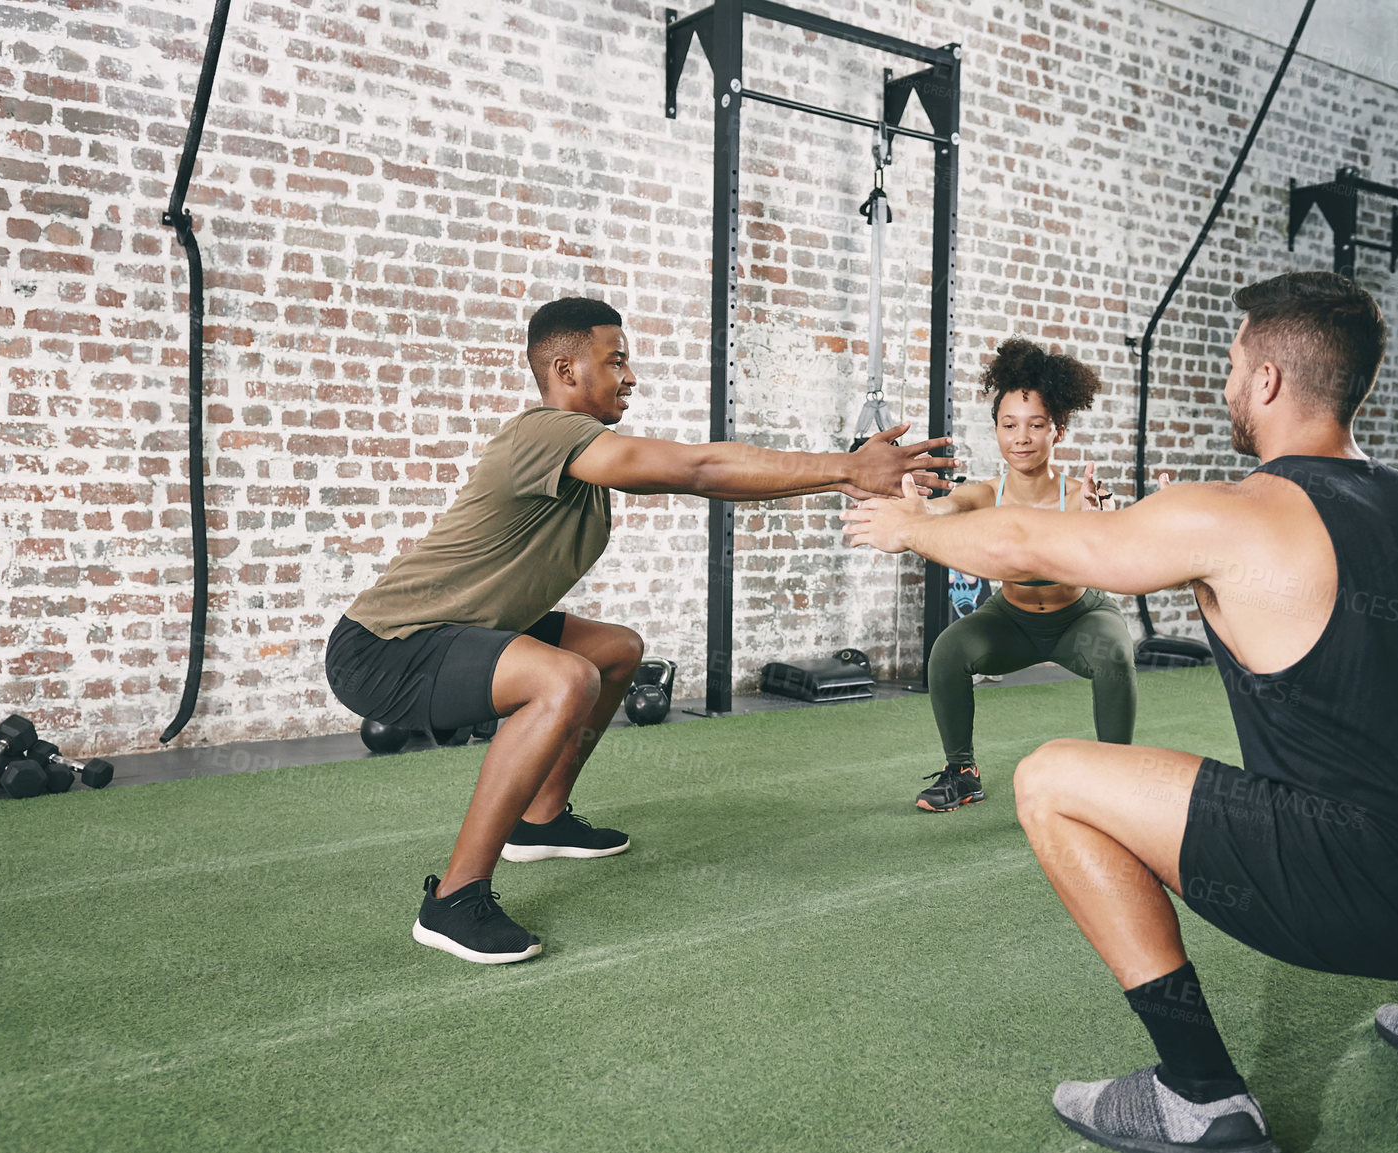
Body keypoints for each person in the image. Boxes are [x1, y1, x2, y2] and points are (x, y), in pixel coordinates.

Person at [843, 271, 1398, 1152]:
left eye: (1231, 366)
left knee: (1053, 779)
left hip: (1379, 896)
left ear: (1265, 382)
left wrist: (907, 527)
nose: (1227, 385)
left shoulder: (1237, 511)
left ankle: (1200, 1092)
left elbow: (1034, 540)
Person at [325, 297, 956, 965]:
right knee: (565, 678)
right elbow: (698, 467)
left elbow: (711, 485)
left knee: (615, 651)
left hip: (461, 628)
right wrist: (845, 464)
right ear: (565, 369)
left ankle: (541, 818)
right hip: (386, 644)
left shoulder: (583, 456)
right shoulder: (543, 433)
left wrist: (840, 478)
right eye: (615, 360)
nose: (631, 377)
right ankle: (453, 899)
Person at [914, 340, 1137, 812]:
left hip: (1079, 619)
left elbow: (1113, 525)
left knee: (1115, 654)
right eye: (1009, 425)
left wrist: (1103, 512)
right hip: (1010, 622)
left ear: (1056, 430)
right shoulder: (983, 494)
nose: (1022, 437)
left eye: (1036, 425)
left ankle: (1117, 778)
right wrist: (914, 506)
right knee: (948, 651)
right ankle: (962, 773)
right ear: (996, 431)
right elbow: (941, 509)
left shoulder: (1079, 493)